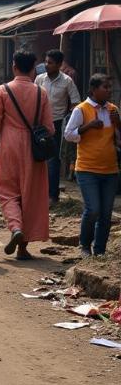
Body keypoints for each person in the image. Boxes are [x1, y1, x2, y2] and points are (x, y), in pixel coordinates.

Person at [0, 51, 54, 260]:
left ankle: (15, 227)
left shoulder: (3, 90)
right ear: (33, 68)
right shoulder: (41, 92)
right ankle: (23, 248)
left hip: (8, 145)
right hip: (33, 149)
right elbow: (49, 128)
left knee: (7, 191)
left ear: (14, 66)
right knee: (30, 194)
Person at [64, 74, 121, 257]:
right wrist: (87, 127)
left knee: (105, 214)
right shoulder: (81, 109)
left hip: (110, 169)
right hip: (87, 169)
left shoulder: (113, 110)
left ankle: (100, 250)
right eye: (105, 87)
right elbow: (68, 135)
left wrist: (118, 123)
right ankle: (84, 245)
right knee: (93, 209)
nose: (109, 90)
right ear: (93, 90)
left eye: (109, 87)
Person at [35, 50, 81, 206]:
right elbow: (33, 98)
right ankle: (37, 194)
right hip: (39, 124)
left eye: (50, 63)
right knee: (37, 158)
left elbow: (76, 102)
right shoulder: (39, 79)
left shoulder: (67, 81)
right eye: (46, 62)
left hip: (56, 123)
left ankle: (52, 196)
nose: (47, 65)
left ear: (59, 65)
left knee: (53, 161)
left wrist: (69, 121)